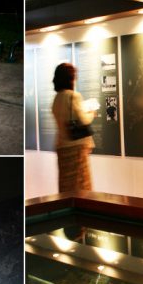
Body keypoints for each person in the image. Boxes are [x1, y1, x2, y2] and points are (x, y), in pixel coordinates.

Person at [51, 62, 94, 192]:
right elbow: (83, 120)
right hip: (76, 147)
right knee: (81, 186)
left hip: (62, 147)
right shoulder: (73, 96)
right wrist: (91, 112)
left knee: (66, 186)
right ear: (70, 78)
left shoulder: (57, 98)